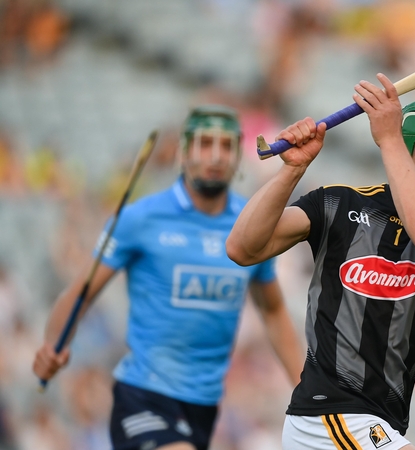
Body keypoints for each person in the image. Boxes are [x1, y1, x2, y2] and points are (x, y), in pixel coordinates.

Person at [226, 74, 415, 450]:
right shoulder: (339, 204)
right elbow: (242, 248)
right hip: (328, 416)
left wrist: (389, 140)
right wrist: (292, 170)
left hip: (378, 421)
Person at [33, 105, 304, 450]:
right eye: (204, 144)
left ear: (239, 156)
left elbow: (273, 310)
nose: (215, 156)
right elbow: (82, 292)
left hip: (204, 408)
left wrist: (306, 389)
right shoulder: (141, 218)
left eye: (226, 146)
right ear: (183, 152)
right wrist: (52, 345)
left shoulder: (252, 225)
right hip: (142, 396)